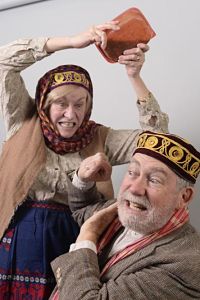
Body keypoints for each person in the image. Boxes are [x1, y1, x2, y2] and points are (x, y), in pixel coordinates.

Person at [0, 21, 168, 298]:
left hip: (76, 239)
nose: (71, 114)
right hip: (17, 238)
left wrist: (134, 76)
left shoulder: (99, 138)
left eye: (80, 104)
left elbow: (159, 140)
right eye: (61, 103)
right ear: (44, 104)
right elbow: (4, 61)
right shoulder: (23, 120)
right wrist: (72, 41)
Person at [51, 130, 200, 300]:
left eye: (154, 180)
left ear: (183, 197)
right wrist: (83, 180)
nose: (135, 188)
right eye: (132, 172)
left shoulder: (185, 264)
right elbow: (85, 211)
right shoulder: (123, 213)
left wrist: (88, 234)